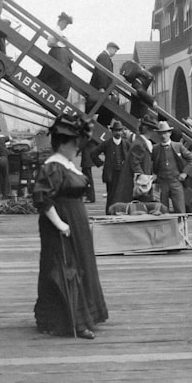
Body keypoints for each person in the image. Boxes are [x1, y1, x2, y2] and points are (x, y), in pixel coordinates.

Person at [32, 118, 108, 339]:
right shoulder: (52, 166)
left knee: (82, 264)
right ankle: (72, 320)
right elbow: (43, 199)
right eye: (75, 143)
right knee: (65, 267)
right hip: (62, 224)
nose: (78, 148)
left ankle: (86, 314)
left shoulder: (67, 164)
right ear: (64, 143)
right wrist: (60, 224)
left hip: (77, 221)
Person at [113, 111, 159, 206]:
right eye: (151, 129)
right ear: (146, 129)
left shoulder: (142, 142)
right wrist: (144, 181)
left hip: (143, 182)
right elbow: (135, 164)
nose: (152, 132)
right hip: (137, 184)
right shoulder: (139, 144)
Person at [152, 121, 192, 214]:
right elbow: (150, 163)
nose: (163, 136)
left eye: (165, 133)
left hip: (176, 181)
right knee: (163, 210)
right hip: (162, 182)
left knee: (180, 209)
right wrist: (153, 175)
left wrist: (185, 173)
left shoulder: (178, 146)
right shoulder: (155, 148)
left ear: (170, 133)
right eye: (160, 133)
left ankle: (181, 227)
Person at [37, 13, 74, 99]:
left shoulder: (58, 31)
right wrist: (62, 42)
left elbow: (50, 43)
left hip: (58, 55)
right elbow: (50, 42)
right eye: (66, 24)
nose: (65, 27)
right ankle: (60, 93)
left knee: (59, 76)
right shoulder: (56, 30)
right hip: (57, 55)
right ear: (62, 22)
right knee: (62, 76)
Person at [96, 119, 130, 213]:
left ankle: (121, 212)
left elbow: (133, 154)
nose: (118, 132)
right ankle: (109, 213)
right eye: (116, 130)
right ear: (112, 131)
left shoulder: (126, 143)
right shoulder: (106, 143)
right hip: (111, 174)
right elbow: (93, 153)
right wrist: (101, 163)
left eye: (119, 130)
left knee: (123, 194)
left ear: (122, 131)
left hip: (123, 173)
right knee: (111, 195)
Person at [85, 42, 120, 128]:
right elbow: (102, 73)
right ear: (110, 48)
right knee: (111, 104)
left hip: (102, 89)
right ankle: (102, 124)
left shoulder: (104, 57)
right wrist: (102, 87)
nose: (115, 54)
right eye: (115, 51)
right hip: (99, 89)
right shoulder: (104, 57)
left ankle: (102, 124)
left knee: (112, 103)